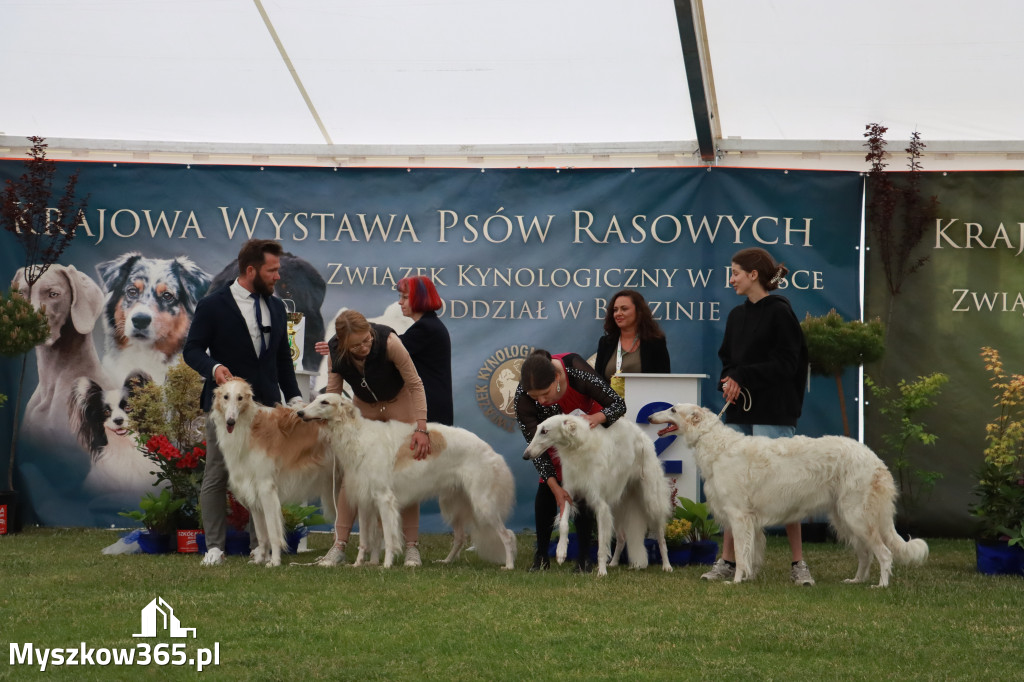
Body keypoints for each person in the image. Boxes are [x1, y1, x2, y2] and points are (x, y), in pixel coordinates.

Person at [183, 239, 303, 567]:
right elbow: (191, 350)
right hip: (226, 407)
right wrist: (214, 368)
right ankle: (215, 548)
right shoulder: (213, 305)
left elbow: (283, 361)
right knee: (217, 473)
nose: (278, 276)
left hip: (265, 407)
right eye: (272, 270)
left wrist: (294, 400)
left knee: (263, 476)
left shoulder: (278, 308)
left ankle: (259, 547)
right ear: (251, 270)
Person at [701, 247, 813, 585]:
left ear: (753, 275)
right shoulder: (737, 316)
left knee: (783, 485)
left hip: (774, 411)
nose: (731, 279)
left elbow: (787, 364)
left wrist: (743, 376)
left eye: (735, 272)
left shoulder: (780, 313)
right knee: (733, 489)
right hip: (739, 410)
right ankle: (728, 561)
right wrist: (729, 379)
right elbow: (728, 359)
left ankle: (798, 564)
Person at [313, 309, 430, 567]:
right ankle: (339, 545)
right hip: (364, 408)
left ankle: (412, 547)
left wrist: (421, 427)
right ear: (343, 344)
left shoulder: (389, 342)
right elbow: (333, 393)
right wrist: (330, 426)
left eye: (367, 340)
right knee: (351, 477)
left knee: (406, 475)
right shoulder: (336, 352)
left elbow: (415, 383)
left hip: (400, 403)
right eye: (357, 345)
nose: (365, 346)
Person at [514, 349, 626, 572]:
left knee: (583, 489)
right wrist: (555, 487)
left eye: (545, 393)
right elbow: (537, 450)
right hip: (554, 441)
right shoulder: (522, 398)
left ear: (556, 378)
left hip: (587, 435)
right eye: (535, 397)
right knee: (546, 487)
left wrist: (596, 417)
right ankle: (541, 556)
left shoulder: (575, 370)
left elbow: (618, 405)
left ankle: (585, 558)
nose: (542, 401)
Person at [396, 276, 453, 426]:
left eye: (405, 297)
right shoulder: (429, 325)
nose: (400, 302)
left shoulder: (425, 328)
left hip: (430, 411)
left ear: (419, 299)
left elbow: (392, 346)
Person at [594, 288, 671, 395]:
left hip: (643, 405)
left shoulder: (655, 342)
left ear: (639, 312)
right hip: (609, 406)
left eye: (624, 309)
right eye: (615, 310)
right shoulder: (605, 342)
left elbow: (664, 381)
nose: (618, 313)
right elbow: (597, 381)